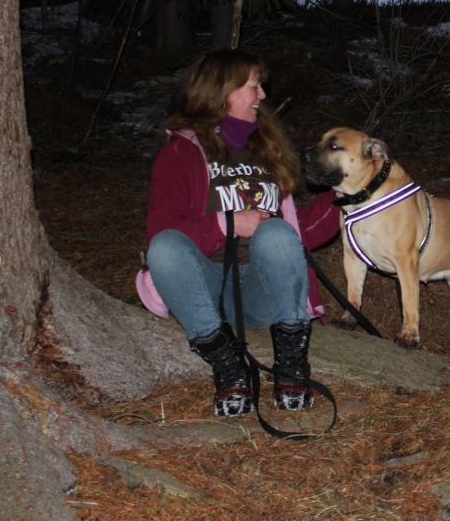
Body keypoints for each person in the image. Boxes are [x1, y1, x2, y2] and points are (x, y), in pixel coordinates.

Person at [141, 48, 339, 418]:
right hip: (206, 287)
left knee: (277, 233)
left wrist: (345, 195)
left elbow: (299, 235)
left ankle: (292, 368)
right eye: (253, 86)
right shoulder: (179, 155)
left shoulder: (267, 150)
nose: (262, 95)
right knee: (165, 248)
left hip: (259, 290)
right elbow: (163, 230)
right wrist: (227, 223)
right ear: (221, 92)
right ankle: (229, 370)